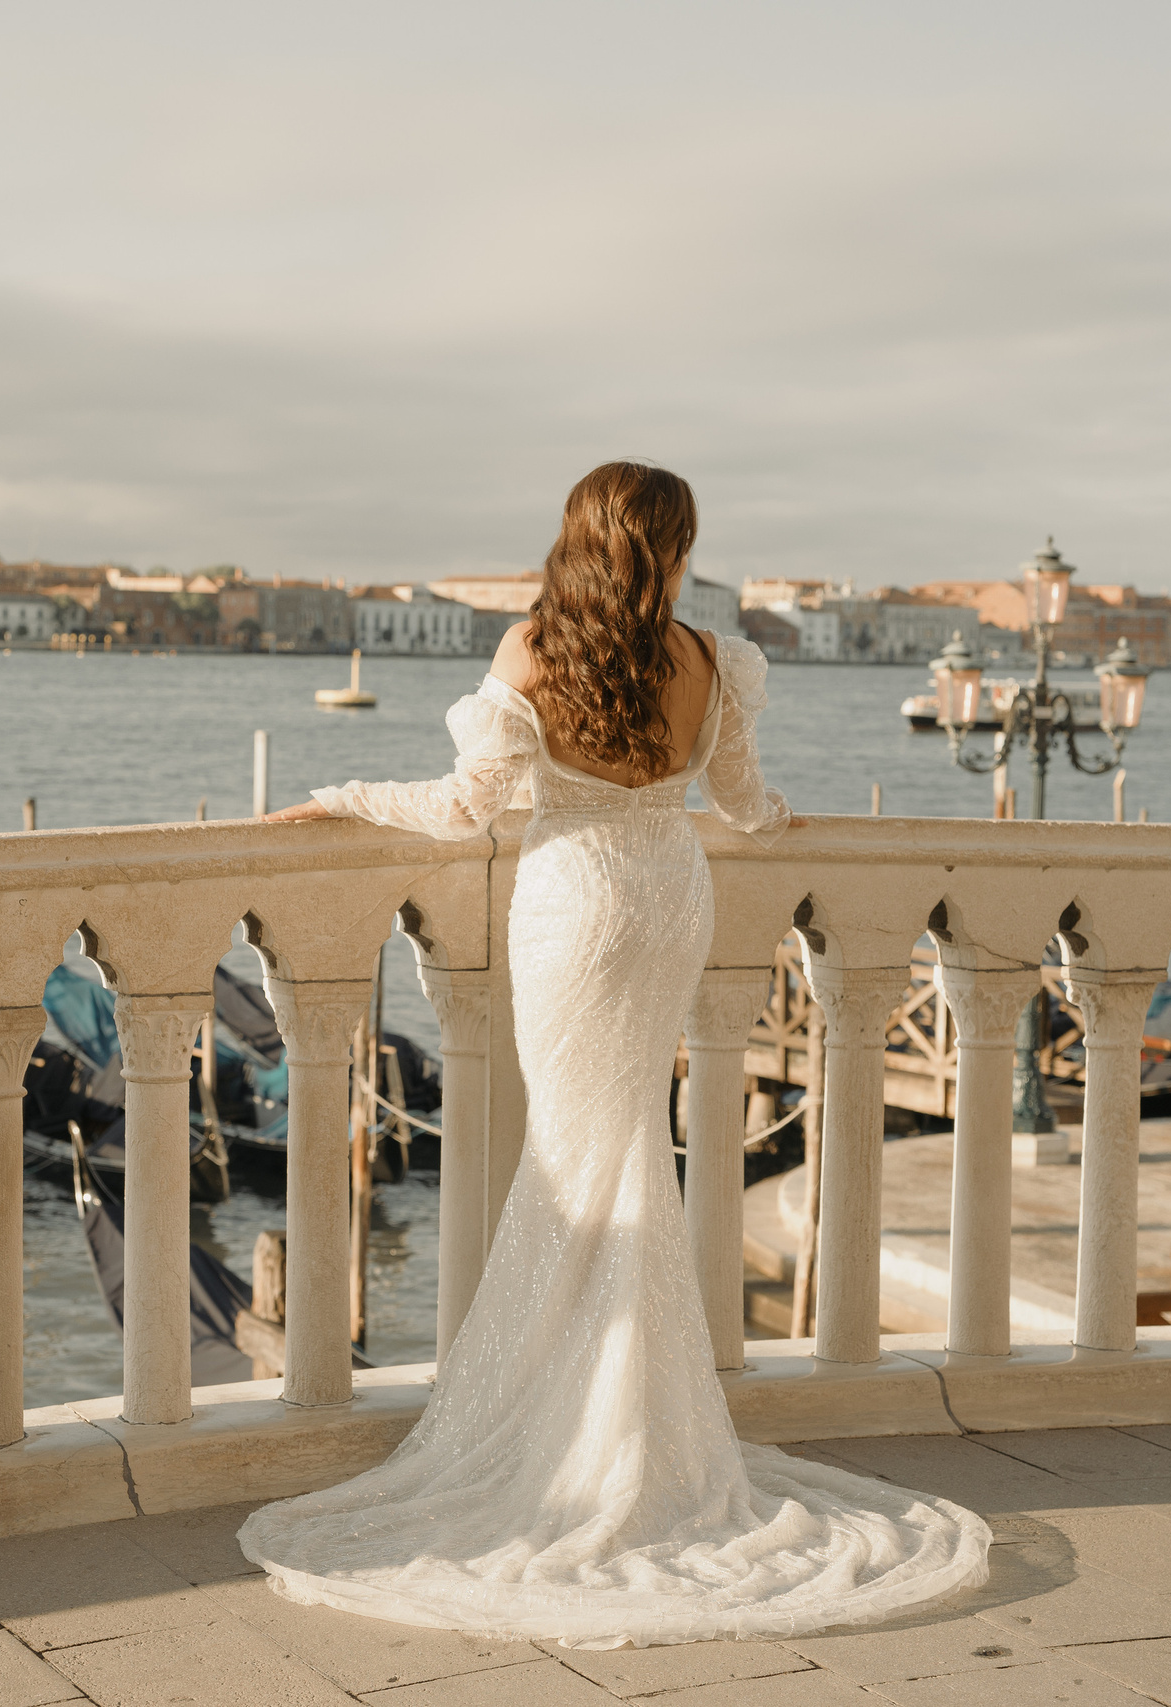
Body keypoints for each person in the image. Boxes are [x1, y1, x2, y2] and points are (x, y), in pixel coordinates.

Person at [238, 462, 989, 1649]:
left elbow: (462, 810)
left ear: (578, 539)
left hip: (574, 906)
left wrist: (336, 791)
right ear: (674, 547)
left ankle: (571, 1435)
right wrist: (784, 818)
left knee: (577, 1159)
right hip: (664, 899)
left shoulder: (534, 653)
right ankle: (638, 1429)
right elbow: (742, 805)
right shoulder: (713, 661)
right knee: (630, 1148)